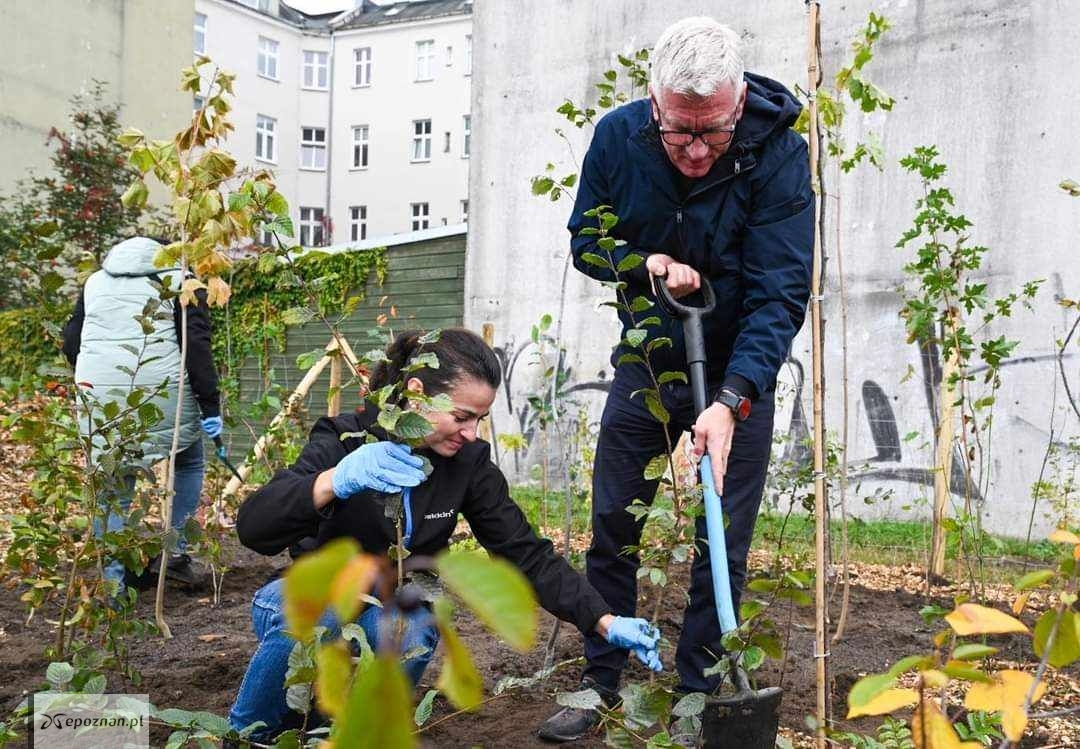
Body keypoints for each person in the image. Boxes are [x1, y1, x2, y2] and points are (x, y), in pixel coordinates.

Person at [538, 17, 813, 741]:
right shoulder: (618, 138)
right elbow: (587, 240)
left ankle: (699, 693)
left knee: (720, 539)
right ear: (655, 105)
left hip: (737, 370)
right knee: (614, 523)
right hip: (649, 361)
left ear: (739, 101)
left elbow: (780, 294)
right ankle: (601, 678)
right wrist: (647, 264)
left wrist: (731, 401)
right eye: (679, 132)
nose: (695, 151)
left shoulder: (781, 156)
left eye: (713, 133)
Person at [227, 328, 663, 744]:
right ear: (416, 392)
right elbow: (254, 527)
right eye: (462, 416)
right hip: (310, 599)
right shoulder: (347, 439)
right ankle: (248, 736)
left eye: (481, 419)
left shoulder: (467, 465)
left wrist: (604, 621)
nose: (472, 432)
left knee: (412, 628)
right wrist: (335, 480)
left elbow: (525, 554)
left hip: (389, 605)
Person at [63, 236, 222, 594]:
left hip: (99, 396)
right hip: (162, 391)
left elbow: (72, 342)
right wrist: (211, 406)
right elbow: (196, 348)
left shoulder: (94, 283)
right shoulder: (183, 279)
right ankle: (175, 554)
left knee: (115, 487)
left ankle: (112, 586)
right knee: (189, 461)